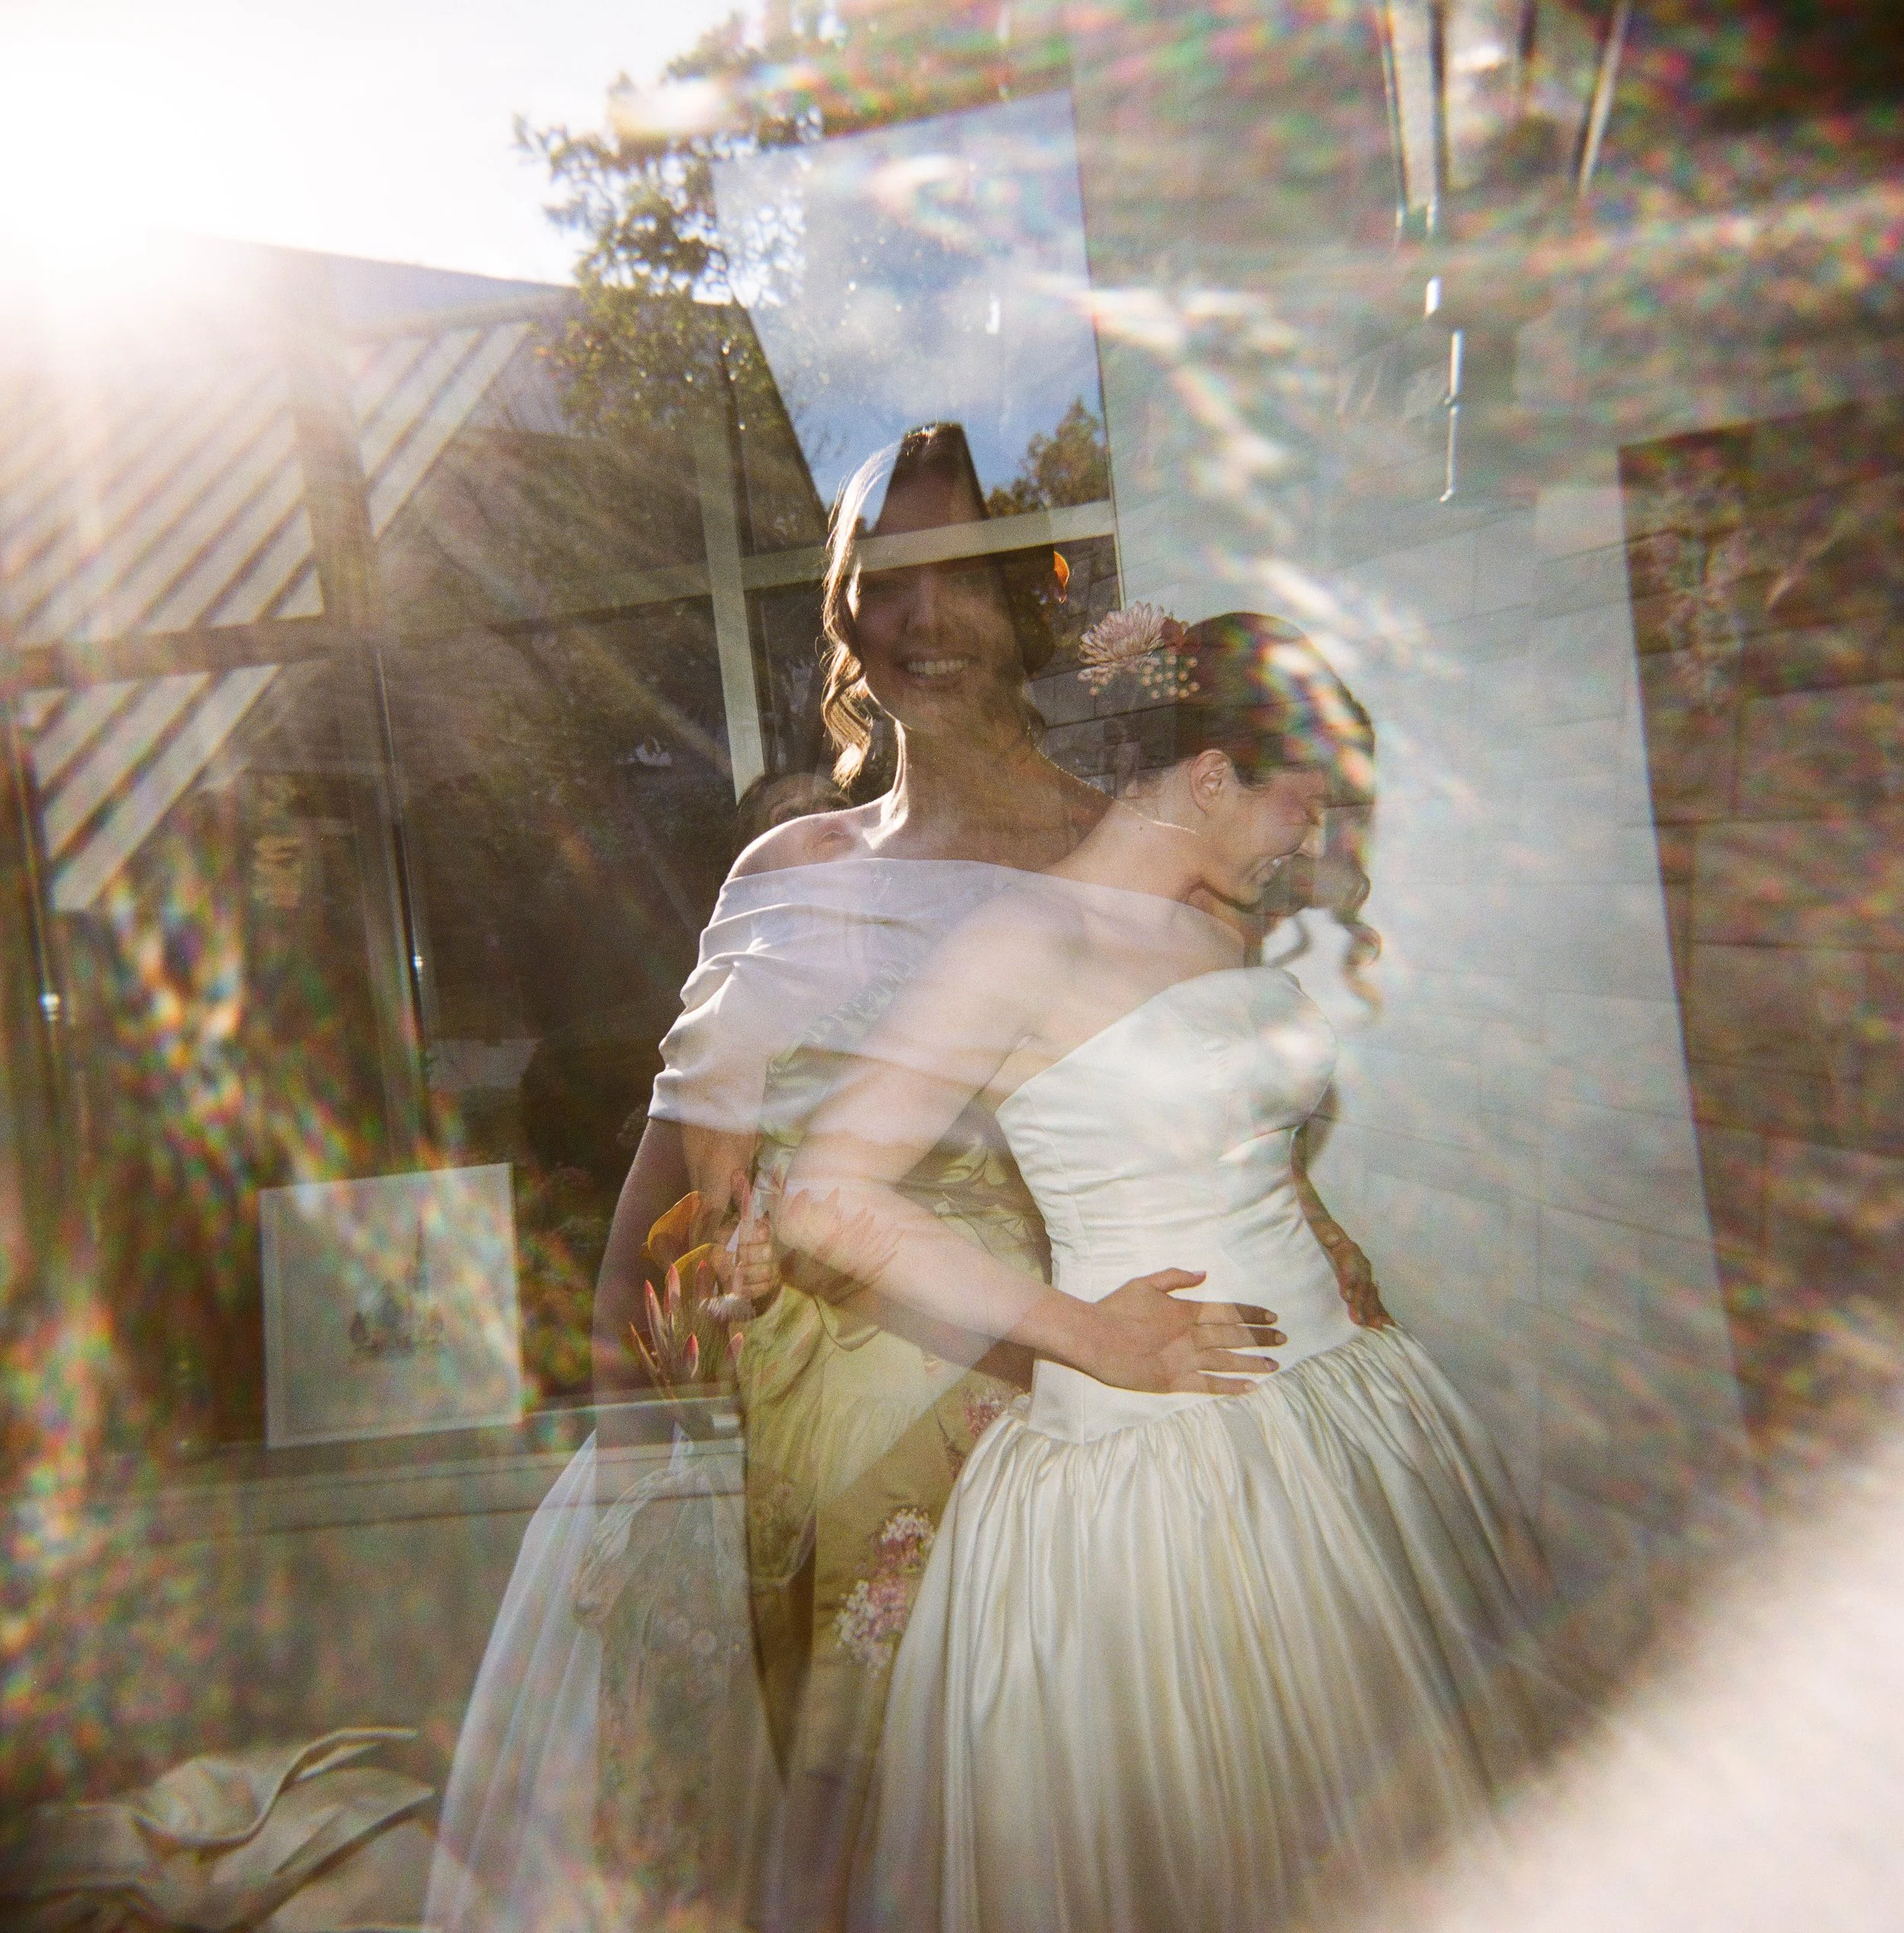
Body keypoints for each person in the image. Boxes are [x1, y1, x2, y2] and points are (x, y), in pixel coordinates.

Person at [776, 612, 1554, 1933]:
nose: (1310, 844)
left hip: (1337, 1421)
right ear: (1209, 778)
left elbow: (1225, 1130)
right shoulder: (1022, 942)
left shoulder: (1218, 927)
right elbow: (824, 1201)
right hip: (1160, 1462)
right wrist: (1079, 1332)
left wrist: (1318, 1217)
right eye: (1300, 810)